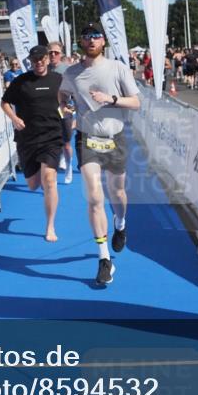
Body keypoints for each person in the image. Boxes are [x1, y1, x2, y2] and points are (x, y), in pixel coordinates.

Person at [58, 23, 141, 286]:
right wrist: (65, 106)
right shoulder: (72, 72)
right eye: (87, 37)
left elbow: (137, 103)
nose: (92, 40)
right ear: (81, 43)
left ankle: (120, 222)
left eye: (96, 36)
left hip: (114, 138)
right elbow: (62, 95)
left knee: (117, 194)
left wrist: (111, 99)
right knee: (94, 197)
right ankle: (104, 259)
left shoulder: (118, 68)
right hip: (87, 138)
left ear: (103, 41)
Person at [2, 45, 64, 242]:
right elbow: (4, 102)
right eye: (34, 59)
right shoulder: (21, 81)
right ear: (30, 61)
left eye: (42, 59)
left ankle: (50, 226)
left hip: (52, 137)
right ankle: (38, 180)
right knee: (32, 184)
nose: (38, 62)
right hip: (27, 139)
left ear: (47, 59)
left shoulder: (58, 80)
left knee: (50, 179)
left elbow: (69, 98)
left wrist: (69, 109)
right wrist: (13, 118)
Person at [47, 41, 74, 184]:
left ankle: (69, 166)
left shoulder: (68, 70)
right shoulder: (44, 69)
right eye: (50, 52)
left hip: (64, 110)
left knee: (66, 144)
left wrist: (74, 109)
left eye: (56, 52)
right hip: (48, 112)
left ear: (61, 54)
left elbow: (76, 91)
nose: (53, 55)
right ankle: (53, 172)